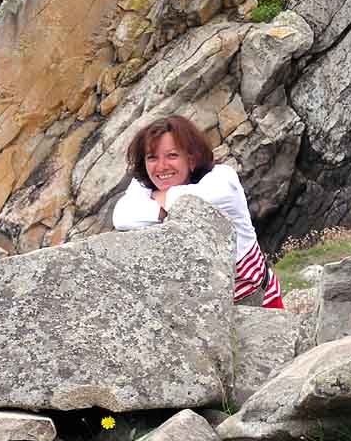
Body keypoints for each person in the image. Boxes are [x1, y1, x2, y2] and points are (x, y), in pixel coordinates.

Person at [113, 115, 284, 309]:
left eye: (172, 155)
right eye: (152, 158)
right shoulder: (142, 186)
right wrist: (163, 212)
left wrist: (160, 200)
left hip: (257, 301)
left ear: (191, 159)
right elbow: (121, 216)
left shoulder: (222, 177)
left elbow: (206, 198)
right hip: (201, 308)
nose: (161, 167)